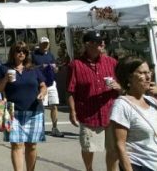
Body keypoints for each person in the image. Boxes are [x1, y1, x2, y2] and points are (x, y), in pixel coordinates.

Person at [67, 30, 120, 171]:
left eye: (102, 42)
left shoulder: (112, 62)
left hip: (111, 113)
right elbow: (71, 91)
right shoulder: (76, 65)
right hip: (88, 113)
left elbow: (124, 85)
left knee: (113, 149)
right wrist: (72, 112)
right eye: (96, 42)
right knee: (88, 147)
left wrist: (118, 86)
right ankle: (89, 169)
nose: (101, 44)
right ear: (87, 44)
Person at [0, 41, 48, 171]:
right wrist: (6, 79)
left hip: (34, 111)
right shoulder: (4, 68)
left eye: (24, 51)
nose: (21, 53)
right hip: (13, 112)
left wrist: (42, 93)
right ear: (13, 52)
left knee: (32, 145)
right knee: (17, 145)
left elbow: (43, 86)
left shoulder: (33, 69)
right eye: (18, 50)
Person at [109, 56, 157, 171]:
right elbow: (120, 146)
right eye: (142, 73)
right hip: (140, 165)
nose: (148, 77)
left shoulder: (151, 101)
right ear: (129, 77)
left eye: (149, 72)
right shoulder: (121, 105)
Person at [33, 36, 63, 137]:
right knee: (42, 107)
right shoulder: (34, 55)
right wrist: (42, 66)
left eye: (47, 44)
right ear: (39, 44)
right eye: (43, 44)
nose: (45, 45)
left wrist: (55, 69)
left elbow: (56, 69)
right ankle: (40, 128)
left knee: (54, 105)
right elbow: (31, 67)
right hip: (41, 84)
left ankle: (55, 128)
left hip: (52, 83)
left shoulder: (51, 55)